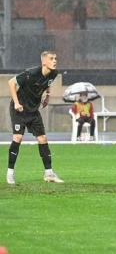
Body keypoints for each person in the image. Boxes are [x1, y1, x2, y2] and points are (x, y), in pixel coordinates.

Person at [7, 51, 63, 185]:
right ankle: (10, 173)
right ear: (44, 62)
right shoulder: (31, 73)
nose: (55, 60)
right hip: (19, 110)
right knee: (18, 138)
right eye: (51, 58)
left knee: (42, 138)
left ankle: (49, 173)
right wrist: (16, 102)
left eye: (55, 58)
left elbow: (47, 83)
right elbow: (11, 83)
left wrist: (47, 95)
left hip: (33, 111)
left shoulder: (54, 73)